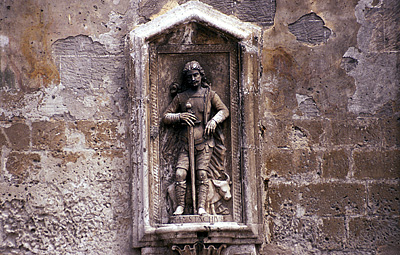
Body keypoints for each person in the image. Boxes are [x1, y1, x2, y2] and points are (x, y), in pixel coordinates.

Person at [163, 61, 229, 216]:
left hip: (204, 143)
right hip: (186, 144)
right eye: (190, 76)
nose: (193, 79)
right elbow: (166, 116)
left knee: (201, 174)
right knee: (180, 174)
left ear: (201, 75)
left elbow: (224, 110)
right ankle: (180, 205)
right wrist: (179, 116)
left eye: (196, 75)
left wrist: (214, 120)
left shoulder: (210, 95)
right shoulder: (181, 98)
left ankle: (201, 206)